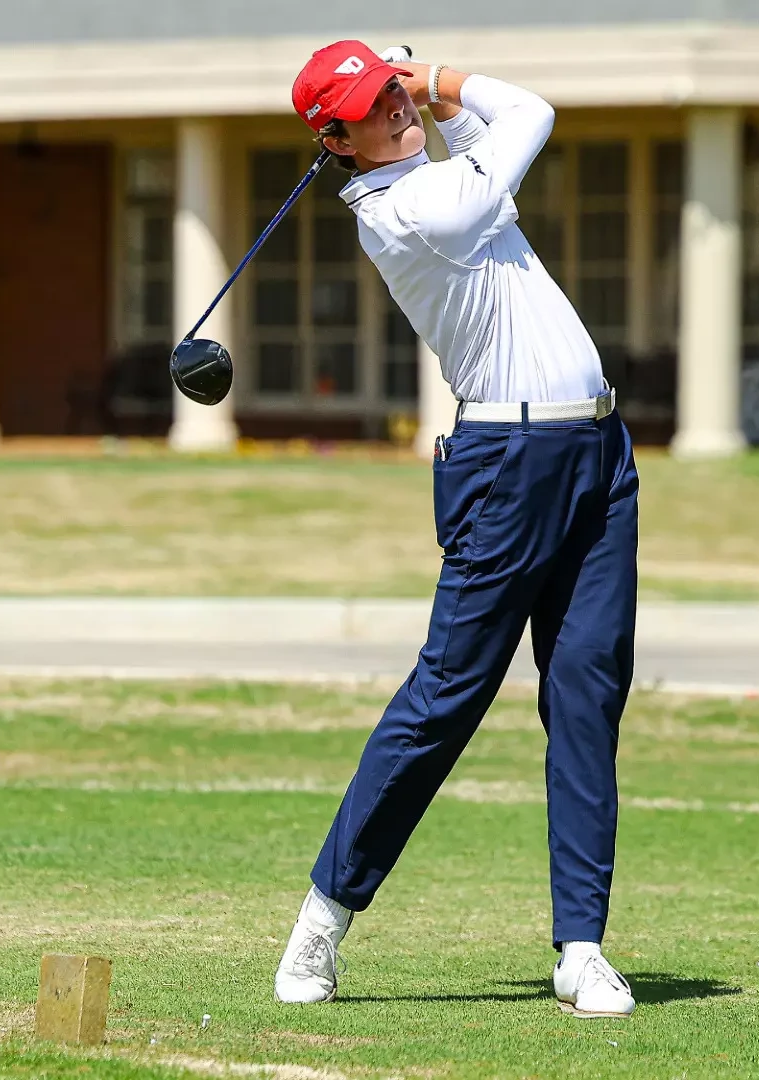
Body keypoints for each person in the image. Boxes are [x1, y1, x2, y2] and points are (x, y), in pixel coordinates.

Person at [274, 41, 641, 1020]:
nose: (393, 107)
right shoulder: (409, 212)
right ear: (336, 139)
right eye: (370, 104)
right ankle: (325, 912)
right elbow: (530, 114)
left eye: (389, 91)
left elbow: (487, 131)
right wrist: (434, 77)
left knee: (587, 696)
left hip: (600, 454)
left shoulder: (439, 183)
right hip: (506, 470)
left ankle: (581, 948)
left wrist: (419, 94)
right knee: (446, 701)